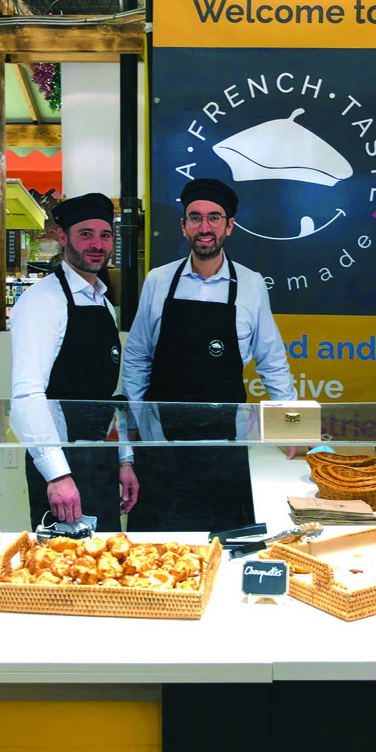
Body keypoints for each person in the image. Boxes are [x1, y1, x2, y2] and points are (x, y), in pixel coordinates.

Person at [121, 177, 297, 532]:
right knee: (156, 548)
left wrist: (289, 423)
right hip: (162, 443)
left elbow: (272, 359)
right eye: (195, 217)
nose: (205, 227)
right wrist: (139, 427)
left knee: (227, 543)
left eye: (214, 218)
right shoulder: (158, 280)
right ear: (182, 225)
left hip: (224, 441)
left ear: (229, 226)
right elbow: (136, 358)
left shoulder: (250, 284)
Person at [9, 191, 138, 531]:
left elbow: (111, 398)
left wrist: (123, 460)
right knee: (62, 571)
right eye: (86, 234)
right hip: (60, 467)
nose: (97, 244)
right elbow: (27, 396)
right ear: (62, 236)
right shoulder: (41, 301)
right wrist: (58, 474)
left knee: (107, 563)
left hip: (100, 462)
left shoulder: (103, 303)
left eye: (105, 235)